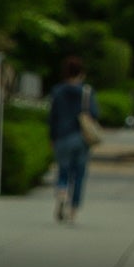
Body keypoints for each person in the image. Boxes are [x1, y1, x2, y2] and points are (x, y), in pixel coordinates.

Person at [46, 56, 95, 223]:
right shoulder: (86, 92)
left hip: (61, 137)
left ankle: (61, 194)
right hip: (81, 138)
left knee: (63, 171)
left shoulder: (57, 91)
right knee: (79, 174)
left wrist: (52, 137)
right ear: (81, 73)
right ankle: (73, 210)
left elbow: (52, 117)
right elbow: (94, 114)